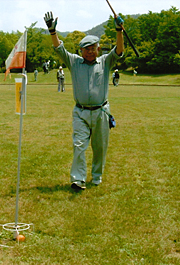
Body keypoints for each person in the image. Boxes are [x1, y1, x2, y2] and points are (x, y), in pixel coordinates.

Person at [44, 11, 124, 191]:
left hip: (101, 112)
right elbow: (59, 49)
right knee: (79, 145)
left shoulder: (105, 62)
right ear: (81, 50)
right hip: (80, 112)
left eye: (93, 48)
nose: (89, 51)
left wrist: (119, 30)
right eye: (86, 49)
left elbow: (119, 50)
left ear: (97, 48)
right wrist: (52, 32)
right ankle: (78, 180)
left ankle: (97, 177)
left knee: (100, 147)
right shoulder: (74, 62)